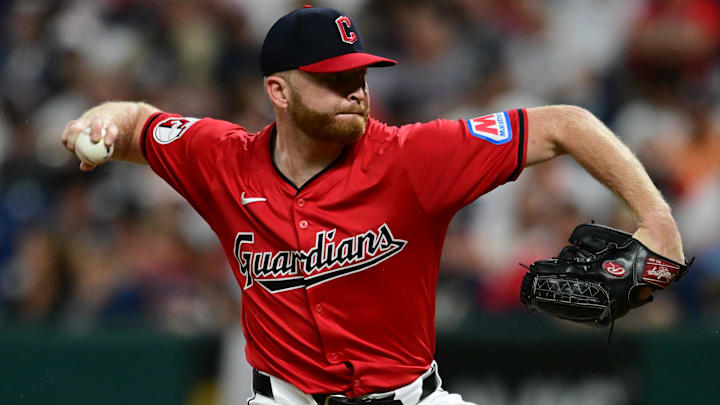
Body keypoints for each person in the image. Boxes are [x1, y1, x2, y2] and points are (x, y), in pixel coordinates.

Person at [60, 6, 685, 405]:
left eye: (359, 74)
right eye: (333, 79)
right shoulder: (224, 160)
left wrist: (655, 220)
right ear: (277, 90)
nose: (355, 90)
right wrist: (100, 124)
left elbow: (566, 124)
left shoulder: (415, 157)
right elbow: (138, 120)